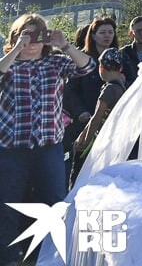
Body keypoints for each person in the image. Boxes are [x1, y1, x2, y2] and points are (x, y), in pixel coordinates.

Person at [1, 14, 94, 265]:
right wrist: (17, 49)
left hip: (48, 145)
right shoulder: (8, 65)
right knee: (6, 203)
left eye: (37, 36)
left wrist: (64, 44)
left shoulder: (55, 63)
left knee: (54, 201)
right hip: (11, 148)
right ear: (15, 37)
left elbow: (87, 66)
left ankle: (51, 254)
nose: (32, 41)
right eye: (25, 35)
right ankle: (8, 257)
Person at [72, 48, 127, 176]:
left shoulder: (109, 89)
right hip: (116, 139)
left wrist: (85, 141)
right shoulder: (122, 86)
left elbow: (97, 117)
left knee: (81, 174)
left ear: (101, 67)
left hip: (102, 140)